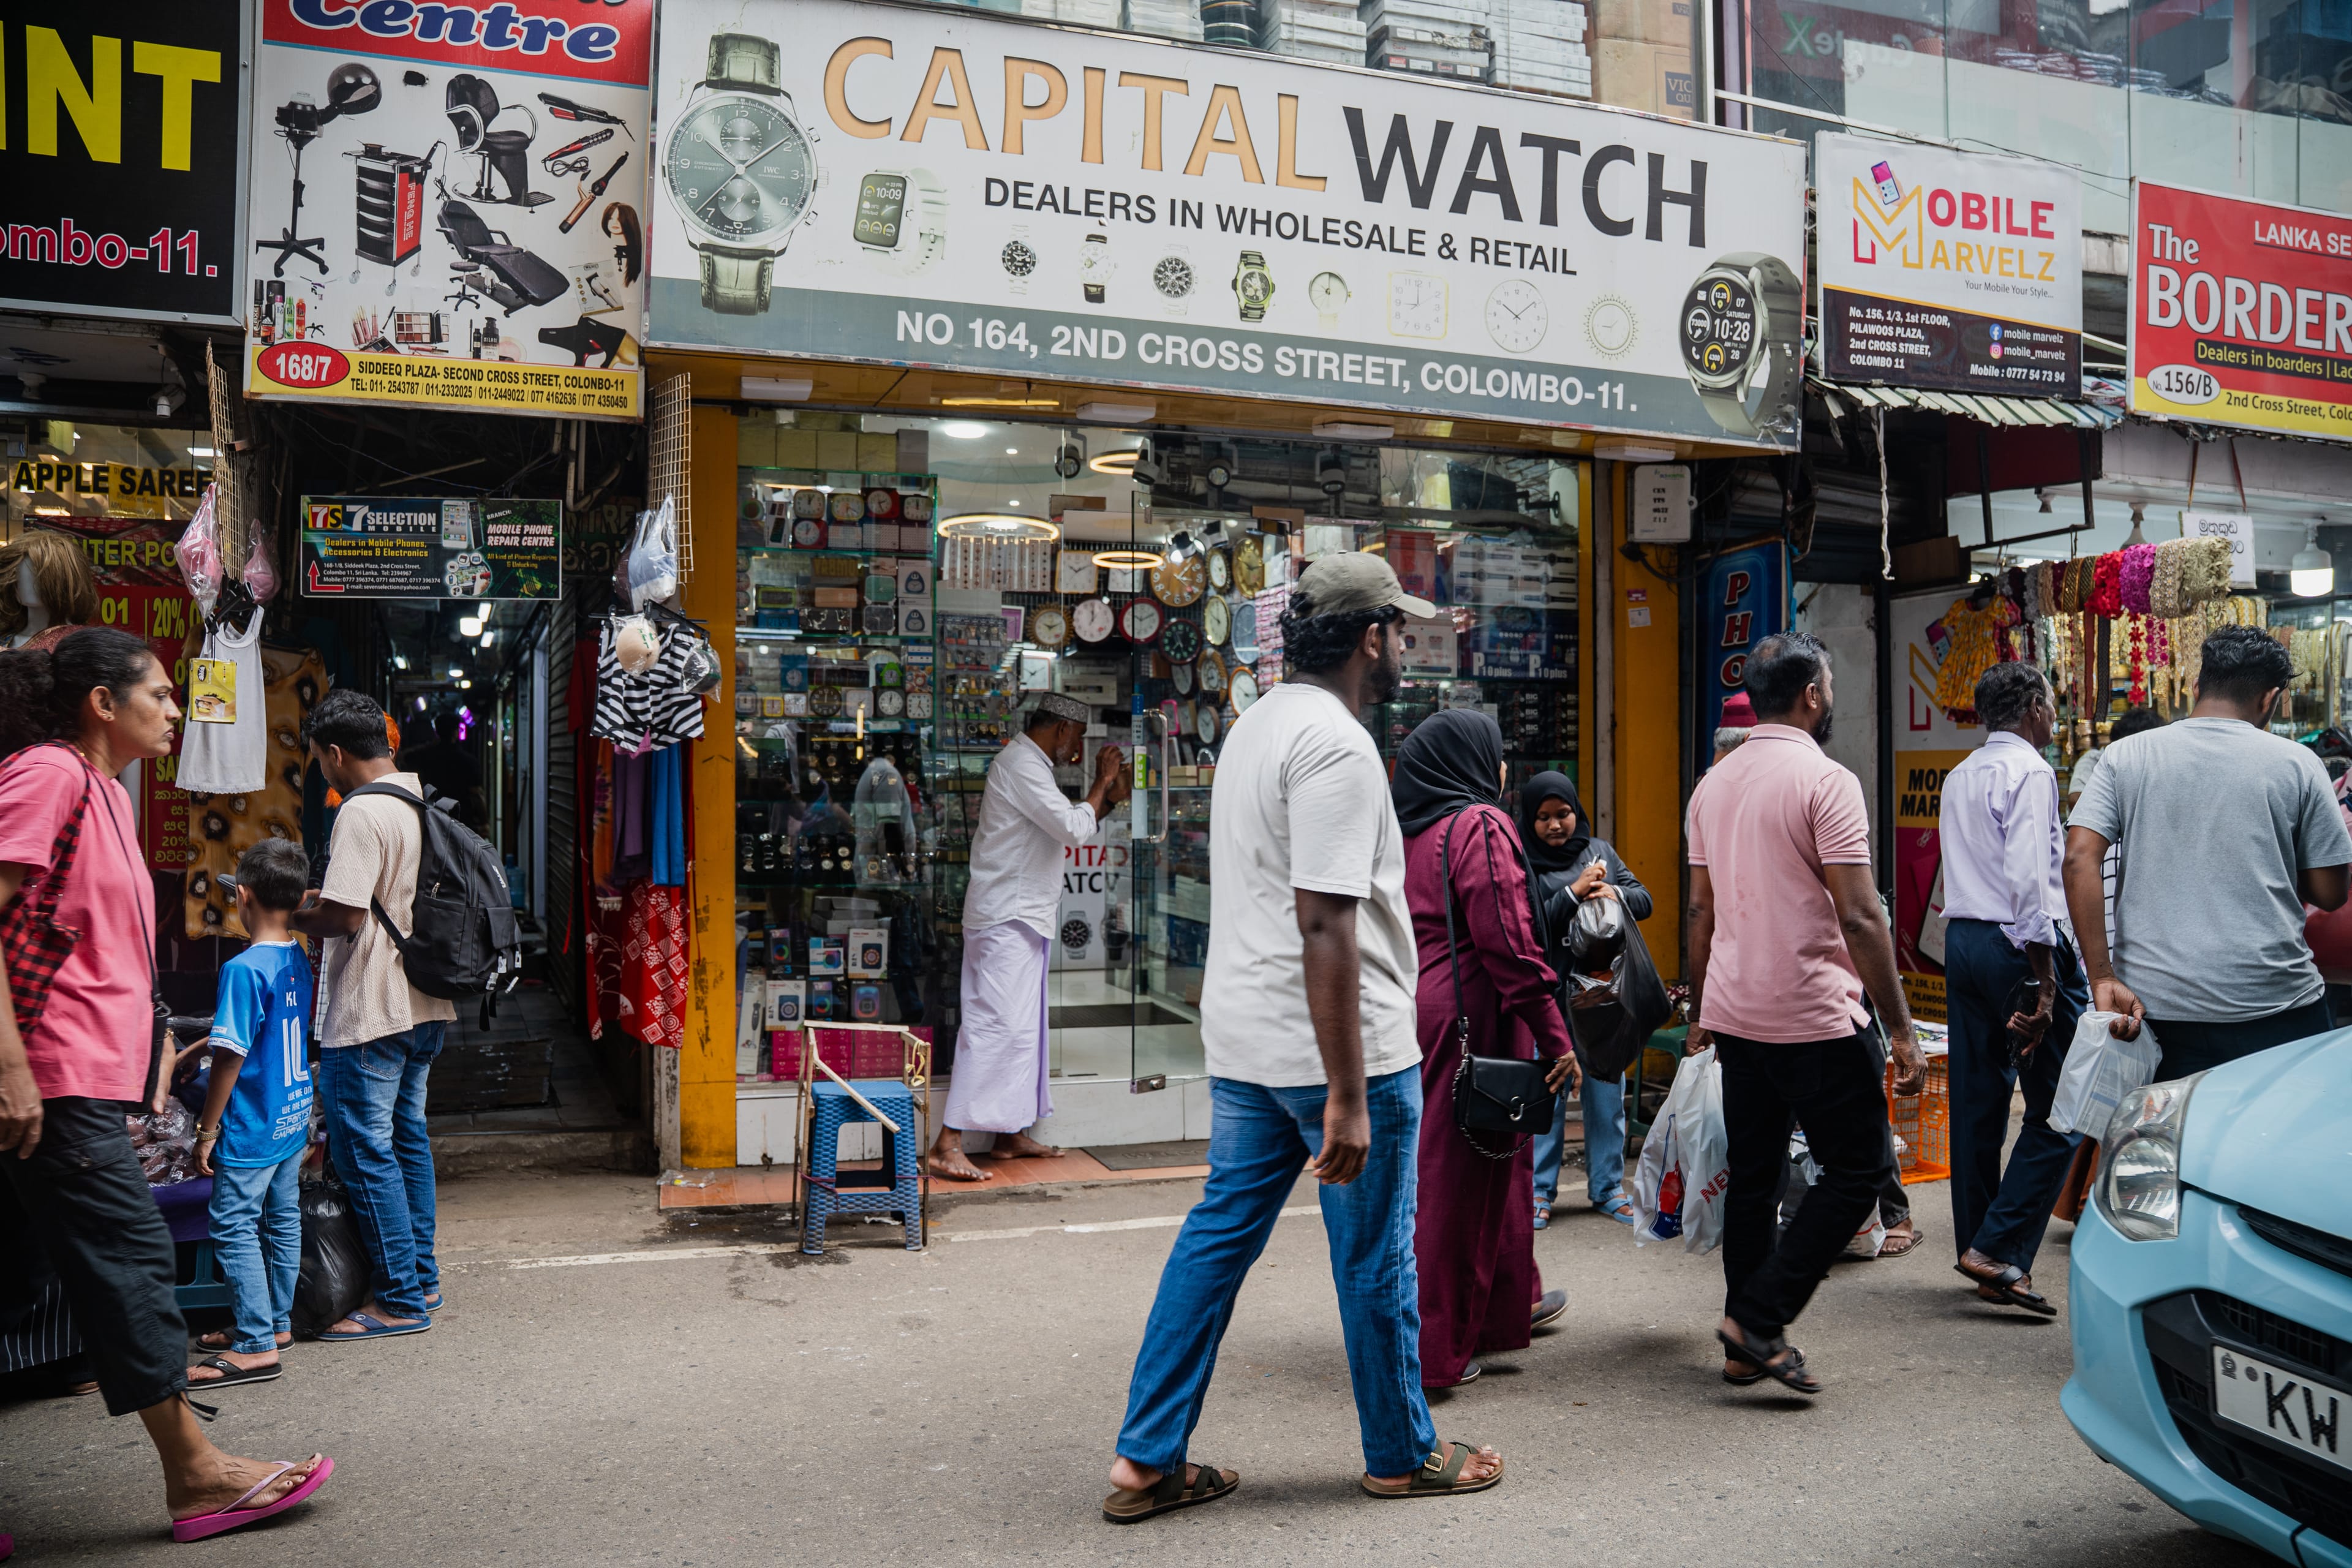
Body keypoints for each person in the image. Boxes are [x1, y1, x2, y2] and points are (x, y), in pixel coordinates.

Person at [1107, 553, 1506, 1521]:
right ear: (1371, 638)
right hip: (1336, 1050)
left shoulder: (1257, 727)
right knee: (1376, 1259)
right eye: (1400, 630)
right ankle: (1403, 1452)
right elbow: (1326, 920)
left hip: (1248, 1042)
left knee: (1214, 1245)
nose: (1408, 646)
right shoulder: (1336, 746)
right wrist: (1347, 1093)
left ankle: (1146, 1457)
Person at [0, 627, 331, 1540]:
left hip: (84, 1081)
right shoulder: (50, 776)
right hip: (49, 1082)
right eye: (159, 692)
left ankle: (197, 1472)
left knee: (21, 1283)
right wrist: (10, 1068)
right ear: (102, 704)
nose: (176, 708)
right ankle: (196, 1474)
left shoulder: (104, 790)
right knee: (136, 1264)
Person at [1684, 631, 1924, 1396]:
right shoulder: (1828, 781)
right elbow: (1861, 915)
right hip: (1813, 1014)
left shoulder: (1711, 785)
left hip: (1736, 1010)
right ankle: (1760, 1317)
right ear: (1814, 695)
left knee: (1754, 1177)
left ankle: (1742, 1340)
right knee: (1859, 1167)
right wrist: (1903, 1027)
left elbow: (1700, 909)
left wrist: (1700, 1005)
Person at [2066, 627, 2351, 1078]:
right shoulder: (2299, 763)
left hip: (2154, 1014)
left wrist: (2102, 977)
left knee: (2161, 1147)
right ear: (2270, 699)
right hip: (2277, 1009)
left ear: (2198, 687)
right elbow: (2331, 893)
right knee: (2276, 1146)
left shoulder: (2124, 756)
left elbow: (2079, 858)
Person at [1394, 714, 1578, 1389]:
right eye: (1496, 756)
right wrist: (1557, 1033)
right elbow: (1507, 936)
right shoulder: (1479, 824)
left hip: (1429, 1008)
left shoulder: (1414, 831)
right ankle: (1435, 1352)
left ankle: (1502, 1311)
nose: (1503, 770)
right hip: (1479, 1012)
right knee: (1460, 1181)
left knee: (1491, 1163)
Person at [293, 688, 456, 1341]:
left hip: (373, 1011)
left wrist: (296, 915)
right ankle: (422, 1275)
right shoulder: (417, 801)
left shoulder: (358, 813)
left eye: (318, 761)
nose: (321, 772)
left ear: (335, 754)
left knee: (365, 1151)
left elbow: (348, 916)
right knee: (407, 1140)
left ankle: (400, 1299)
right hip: (424, 1005)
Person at [1936, 663, 2090, 1316]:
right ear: (2032, 706)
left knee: (1979, 1102)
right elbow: (2030, 880)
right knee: (2064, 1104)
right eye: (2052, 705)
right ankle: (1998, 1248)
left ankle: (1980, 1247)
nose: (2055, 718)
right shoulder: (2028, 772)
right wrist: (2046, 978)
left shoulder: (1962, 772)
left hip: (1966, 943)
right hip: (2015, 944)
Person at [929, 694, 1128, 1182]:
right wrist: (1102, 783)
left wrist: (1106, 797)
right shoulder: (1022, 764)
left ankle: (1010, 1134)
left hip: (1019, 916)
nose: (1076, 749)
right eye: (1076, 738)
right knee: (996, 1026)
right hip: (1007, 917)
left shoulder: (1030, 765)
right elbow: (1073, 828)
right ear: (1061, 729)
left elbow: (1066, 827)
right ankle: (947, 1142)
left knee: (1023, 1030)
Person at [186, 840, 317, 1386]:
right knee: (282, 1219)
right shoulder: (299, 955)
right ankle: (273, 1322)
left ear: (242, 896)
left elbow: (230, 1059)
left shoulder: (242, 969)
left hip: (253, 1122)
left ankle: (258, 1343)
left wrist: (205, 1130)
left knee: (235, 1225)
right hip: (292, 1115)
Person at [1517, 772, 1649, 1229]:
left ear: (1578, 812)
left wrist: (1613, 890)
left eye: (1564, 814)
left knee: (1605, 1093)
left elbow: (1644, 898)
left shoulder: (1602, 853)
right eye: (1543, 818)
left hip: (1603, 998)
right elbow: (1534, 926)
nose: (1555, 826)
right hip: (1550, 997)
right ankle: (1539, 1191)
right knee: (1548, 1096)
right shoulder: (1524, 862)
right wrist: (1574, 891)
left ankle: (1608, 1188)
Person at [398, 709, 484, 829]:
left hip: (431, 822)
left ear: (437, 732)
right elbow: (476, 795)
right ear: (456, 732)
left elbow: (402, 756)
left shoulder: (425, 757)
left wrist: (429, 745)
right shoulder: (468, 761)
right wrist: (484, 822)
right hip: (461, 822)